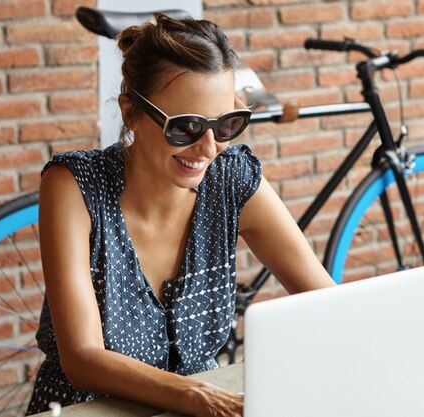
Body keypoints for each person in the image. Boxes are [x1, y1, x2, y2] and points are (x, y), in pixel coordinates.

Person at [26, 13, 335, 417]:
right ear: (130, 111)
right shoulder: (74, 186)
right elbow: (83, 359)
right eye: (186, 127)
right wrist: (195, 396)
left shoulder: (232, 179)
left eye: (226, 125)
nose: (208, 148)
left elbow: (330, 304)